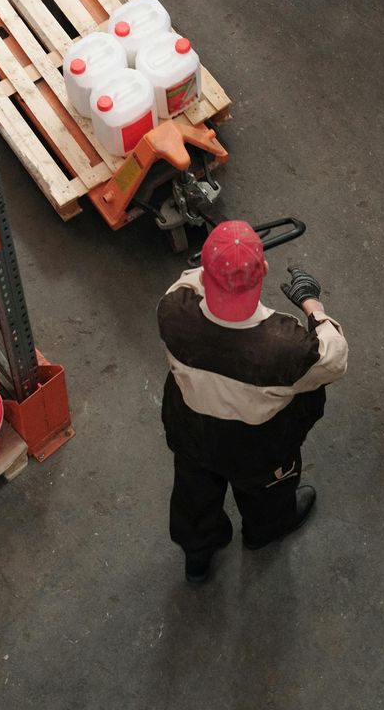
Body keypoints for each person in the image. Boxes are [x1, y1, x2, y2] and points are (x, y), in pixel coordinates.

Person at [158, 220, 348, 583]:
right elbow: (335, 357)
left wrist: (217, 262)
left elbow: (191, 278)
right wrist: (312, 304)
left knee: (193, 491)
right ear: (263, 270)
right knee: (270, 493)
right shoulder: (288, 348)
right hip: (260, 445)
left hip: (192, 431)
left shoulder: (172, 311)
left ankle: (198, 556)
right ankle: (265, 532)